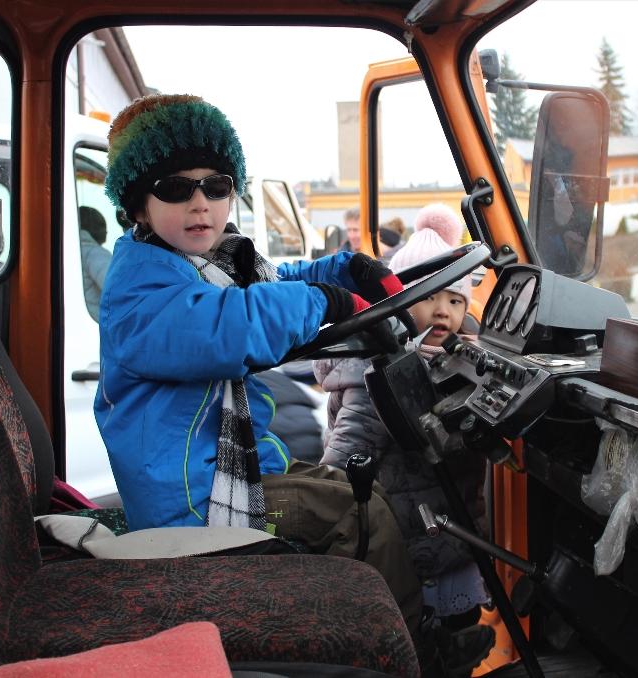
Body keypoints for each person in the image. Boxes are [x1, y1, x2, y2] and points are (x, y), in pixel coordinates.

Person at [93, 93, 422, 633]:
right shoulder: (141, 289)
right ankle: (408, 650)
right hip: (192, 503)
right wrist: (324, 302)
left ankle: (342, 628)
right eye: (176, 188)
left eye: (216, 186)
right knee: (360, 514)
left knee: (361, 489)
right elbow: (228, 325)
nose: (201, 203)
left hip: (237, 470)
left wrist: (345, 272)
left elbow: (268, 285)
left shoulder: (200, 265)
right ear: (137, 206)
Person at [314, 226, 494, 677]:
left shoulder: (463, 363)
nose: (443, 311)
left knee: (457, 625)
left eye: (455, 301)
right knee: (413, 639)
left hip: (451, 536)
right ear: (396, 309)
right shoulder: (376, 377)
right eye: (427, 298)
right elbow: (342, 464)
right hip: (403, 545)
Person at [78, 205, 112, 322]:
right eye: (102, 224)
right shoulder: (94, 253)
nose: (107, 231)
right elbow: (116, 288)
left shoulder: (73, 253)